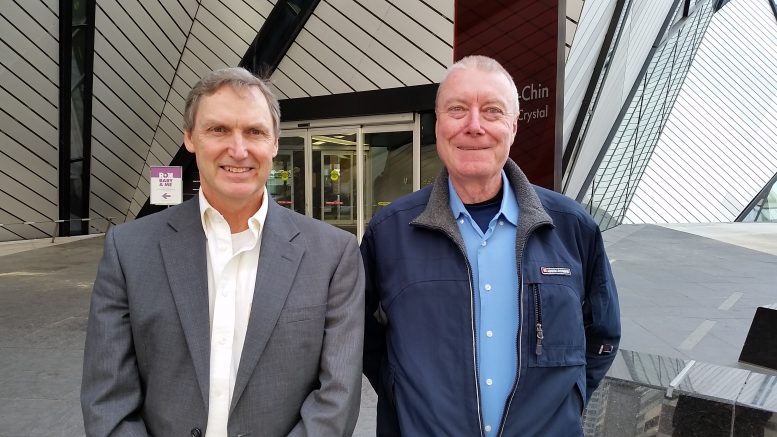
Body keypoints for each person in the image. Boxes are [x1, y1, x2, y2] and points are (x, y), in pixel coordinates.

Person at [81, 67, 364, 436]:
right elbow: (108, 400)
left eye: (255, 131)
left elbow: (336, 399)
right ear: (190, 138)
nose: (238, 149)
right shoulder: (128, 250)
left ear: (275, 143)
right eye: (218, 130)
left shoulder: (334, 255)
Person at [361, 55, 621, 436]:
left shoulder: (571, 226)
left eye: (493, 111)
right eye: (458, 109)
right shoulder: (390, 232)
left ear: (513, 127)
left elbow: (602, 333)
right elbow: (361, 337)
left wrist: (571, 398)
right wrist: (402, 392)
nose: (474, 125)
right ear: (438, 125)